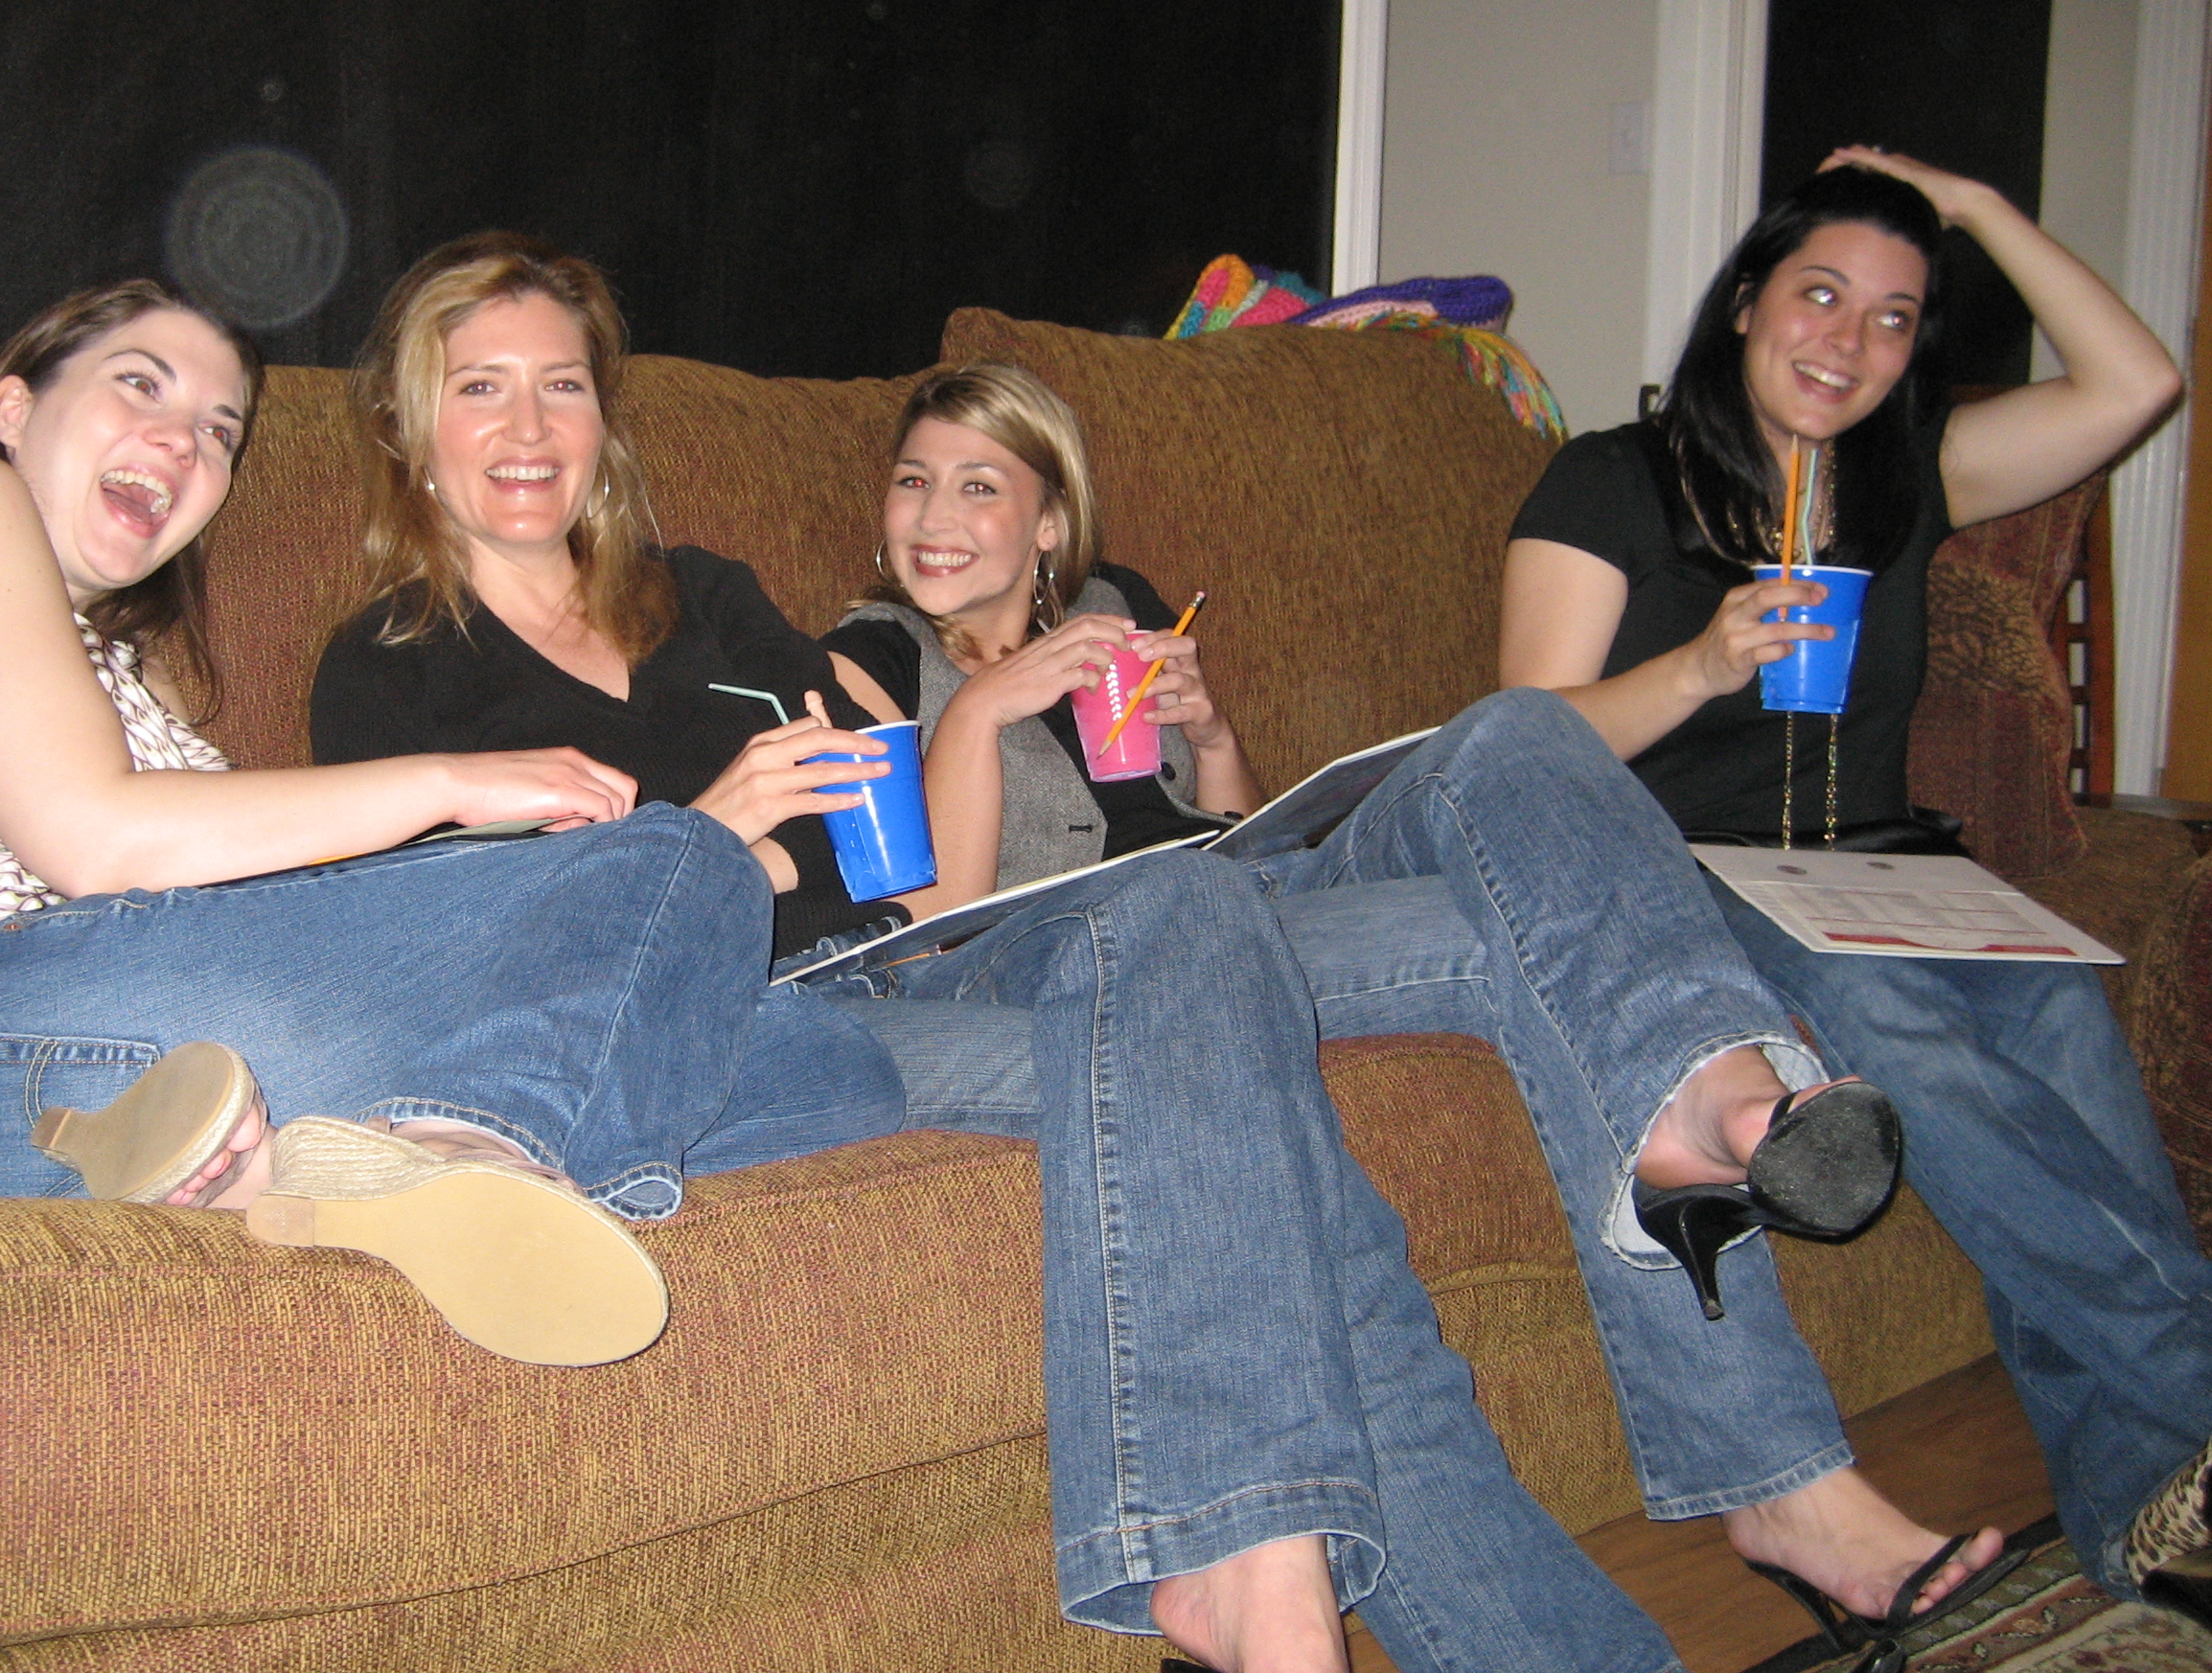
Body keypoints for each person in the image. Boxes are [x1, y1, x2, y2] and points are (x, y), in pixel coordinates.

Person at [311, 234, 1910, 1671]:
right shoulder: (389, 673)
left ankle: (1677, 1173)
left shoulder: (704, 597)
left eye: (562, 384)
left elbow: (873, 827)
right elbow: (471, 960)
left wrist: (880, 809)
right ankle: (1351, 1586)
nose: (528, 425)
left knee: (1442, 828)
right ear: (410, 425)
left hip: (910, 945)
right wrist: (712, 835)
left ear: (605, 416)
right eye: (479, 387)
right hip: (775, 1019)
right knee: (1225, 1041)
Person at [813, 355, 2029, 1649]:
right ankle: (1774, 1480)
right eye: (913, 482)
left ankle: (1703, 1085)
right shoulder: (865, 655)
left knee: (1520, 738)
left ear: (1051, 522)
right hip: (1053, 954)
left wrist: (1211, 735)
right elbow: (937, 919)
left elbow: (1229, 834)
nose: (933, 516)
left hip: (1241, 908)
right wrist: (986, 704)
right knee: (1375, 938)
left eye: (977, 487)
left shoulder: (1124, 612)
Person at [0, 279, 914, 1370]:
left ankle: (334, 1174)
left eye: (218, 429)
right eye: (140, 384)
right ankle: (480, 1148)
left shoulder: (115, 664)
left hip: (173, 1096)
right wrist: (452, 783)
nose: (183, 441)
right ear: (15, 408)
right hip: (6, 1028)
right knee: (672, 860)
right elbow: (96, 841)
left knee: (835, 1067)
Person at [1497, 148, 2211, 1624]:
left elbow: (2139, 383)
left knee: (2063, 1022)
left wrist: (1978, 211)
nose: (1850, 341)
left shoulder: (1902, 482)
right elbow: (1521, 745)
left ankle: (2148, 1500)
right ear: (1746, 302)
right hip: (1684, 880)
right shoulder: (1614, 481)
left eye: (1894, 316)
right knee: (1898, 1027)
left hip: (1885, 871)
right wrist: (1703, 664)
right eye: (1819, 295)